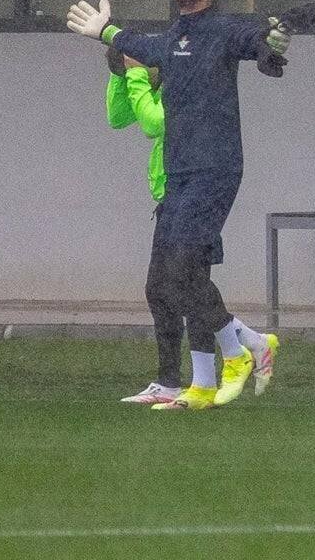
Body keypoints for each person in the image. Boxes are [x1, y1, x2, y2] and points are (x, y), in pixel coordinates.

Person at [66, 0, 283, 411]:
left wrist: (271, 43)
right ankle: (211, 378)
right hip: (179, 174)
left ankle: (238, 351)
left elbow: (255, 39)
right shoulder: (174, 37)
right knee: (170, 279)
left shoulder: (222, 30)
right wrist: (106, 31)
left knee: (183, 271)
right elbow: (143, 48)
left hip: (214, 168)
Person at [104, 46, 223, 406]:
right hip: (171, 199)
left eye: (136, 65)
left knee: (190, 287)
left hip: (195, 196)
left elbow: (154, 123)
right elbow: (118, 117)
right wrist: (119, 74)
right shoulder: (152, 84)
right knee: (162, 290)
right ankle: (171, 381)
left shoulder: (180, 85)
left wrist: (137, 73)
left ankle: (223, 364)